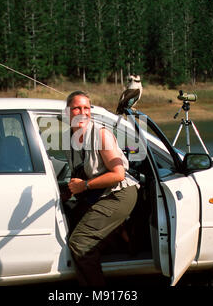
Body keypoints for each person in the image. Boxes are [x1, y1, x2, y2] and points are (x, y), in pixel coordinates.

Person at [65, 91, 139, 286]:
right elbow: (82, 173)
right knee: (70, 221)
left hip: (119, 194)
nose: (82, 112)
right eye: (77, 108)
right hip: (98, 194)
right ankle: (121, 236)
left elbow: (118, 174)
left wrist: (85, 185)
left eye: (86, 108)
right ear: (68, 112)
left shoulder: (101, 134)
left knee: (80, 243)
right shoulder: (70, 139)